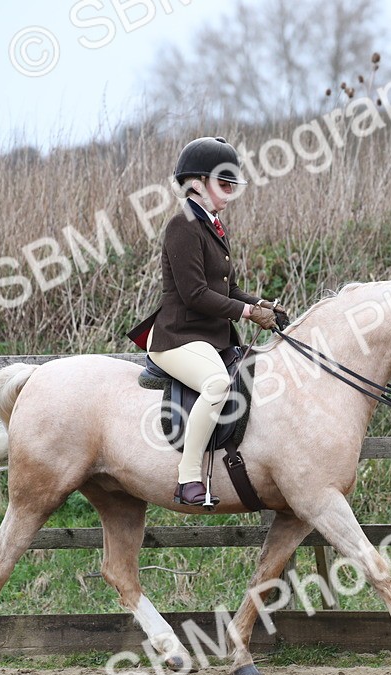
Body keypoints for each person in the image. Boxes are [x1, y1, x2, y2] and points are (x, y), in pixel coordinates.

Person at [141, 136, 286, 506]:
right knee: (218, 383)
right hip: (177, 337)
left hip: (209, 337)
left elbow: (228, 286)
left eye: (233, 184)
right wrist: (248, 313)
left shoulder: (213, 225)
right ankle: (187, 478)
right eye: (224, 184)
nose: (230, 192)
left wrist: (261, 303)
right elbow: (194, 294)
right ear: (197, 184)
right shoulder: (183, 225)